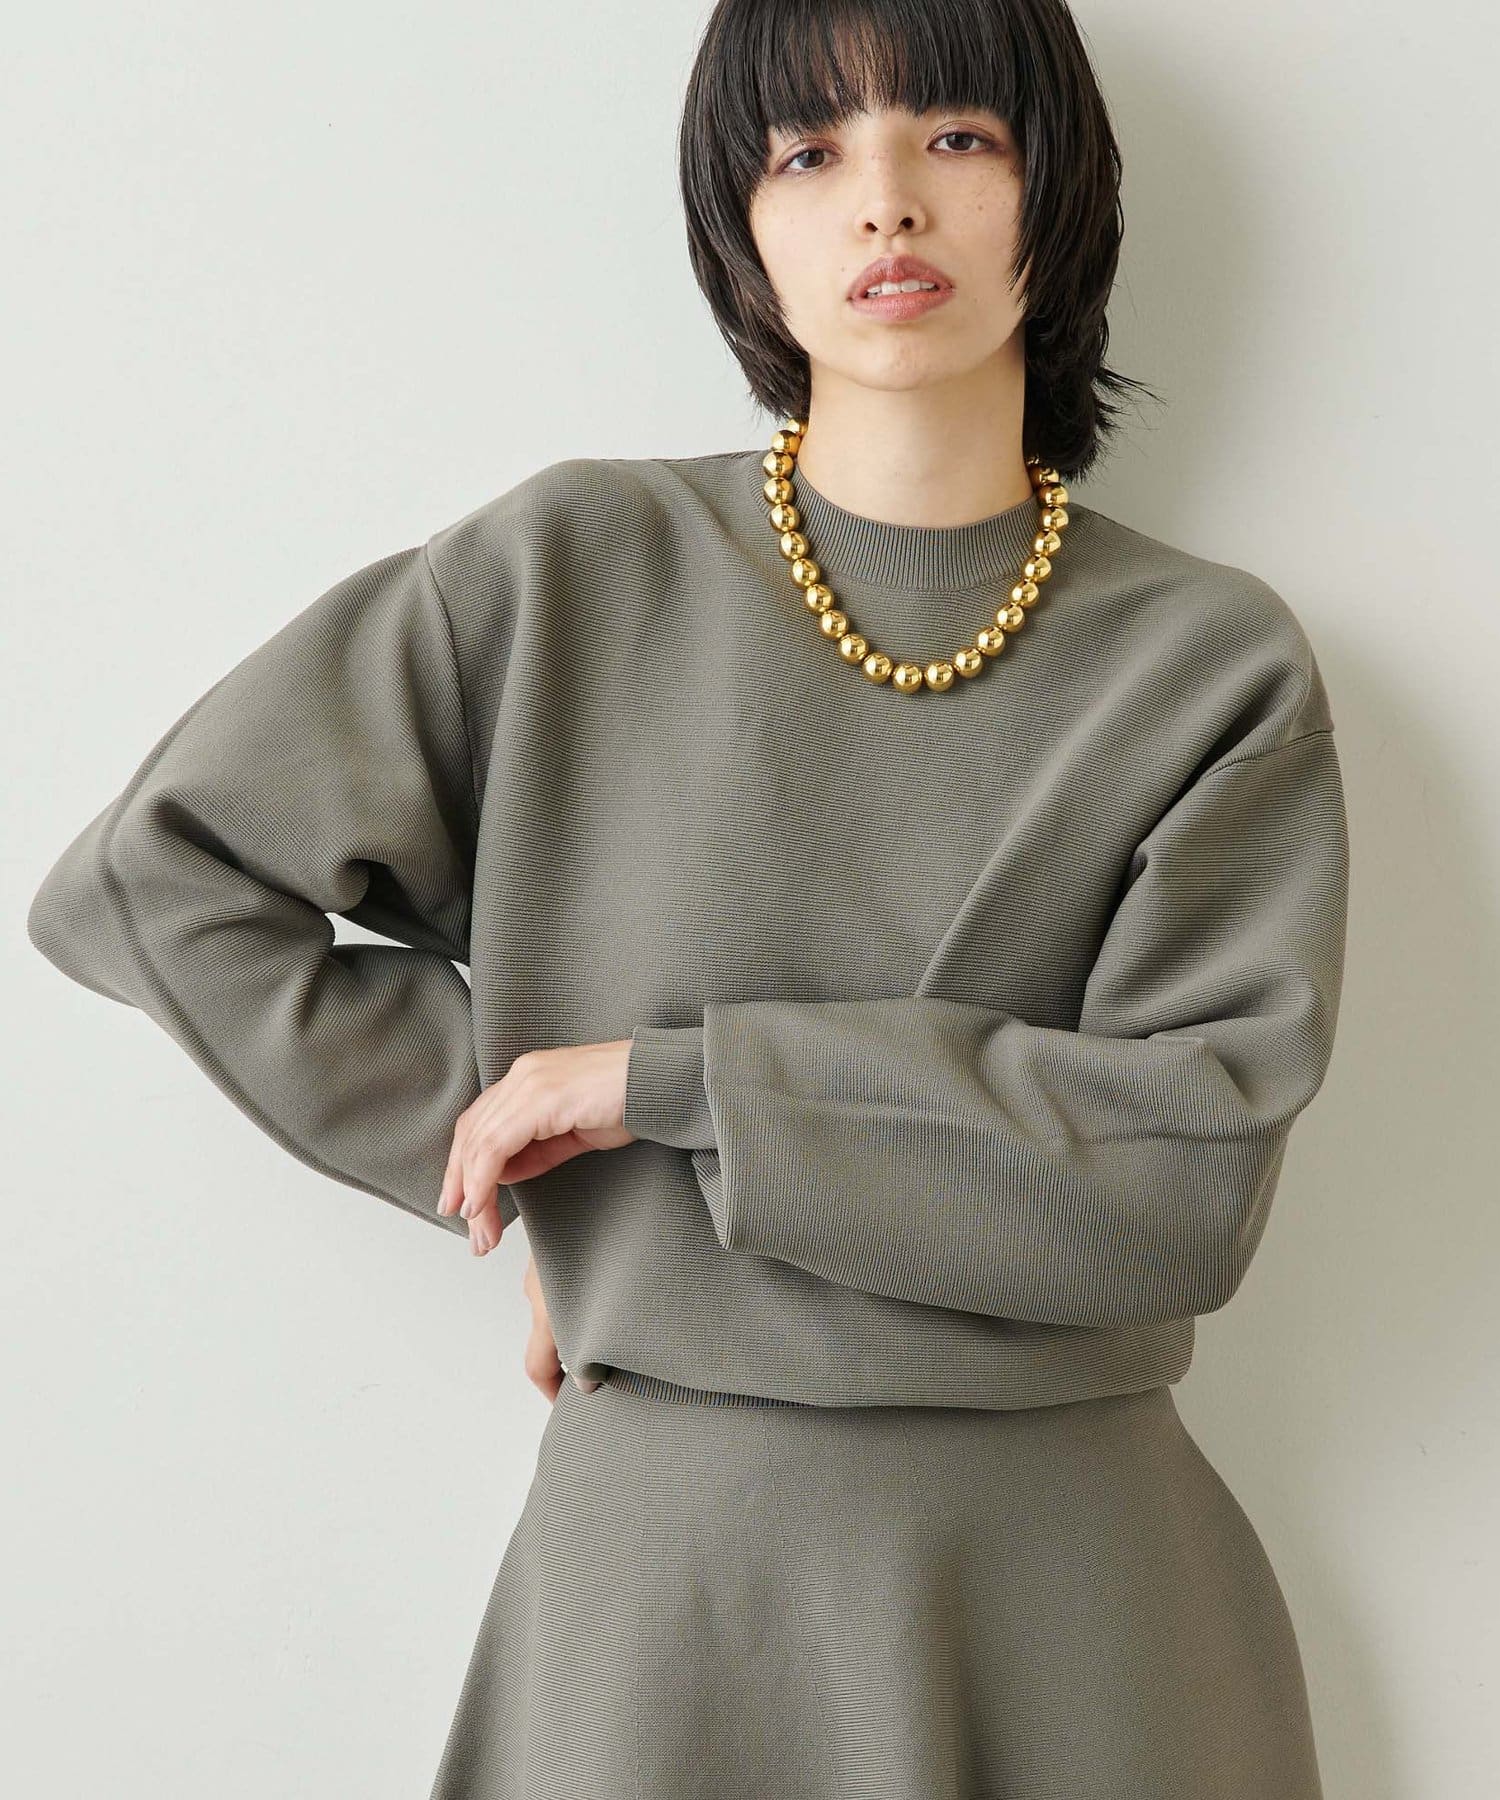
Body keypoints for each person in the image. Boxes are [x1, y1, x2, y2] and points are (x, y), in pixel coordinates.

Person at [26, 1, 1348, 1795]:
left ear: (1062, 190)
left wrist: (666, 1090)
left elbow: (1182, 1190)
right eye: (809, 151)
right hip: (674, 1590)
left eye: (958, 136)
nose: (885, 200)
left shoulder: (1208, 664)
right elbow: (161, 875)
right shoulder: (572, 571)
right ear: (741, 225)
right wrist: (556, 1176)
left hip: (1074, 1598)